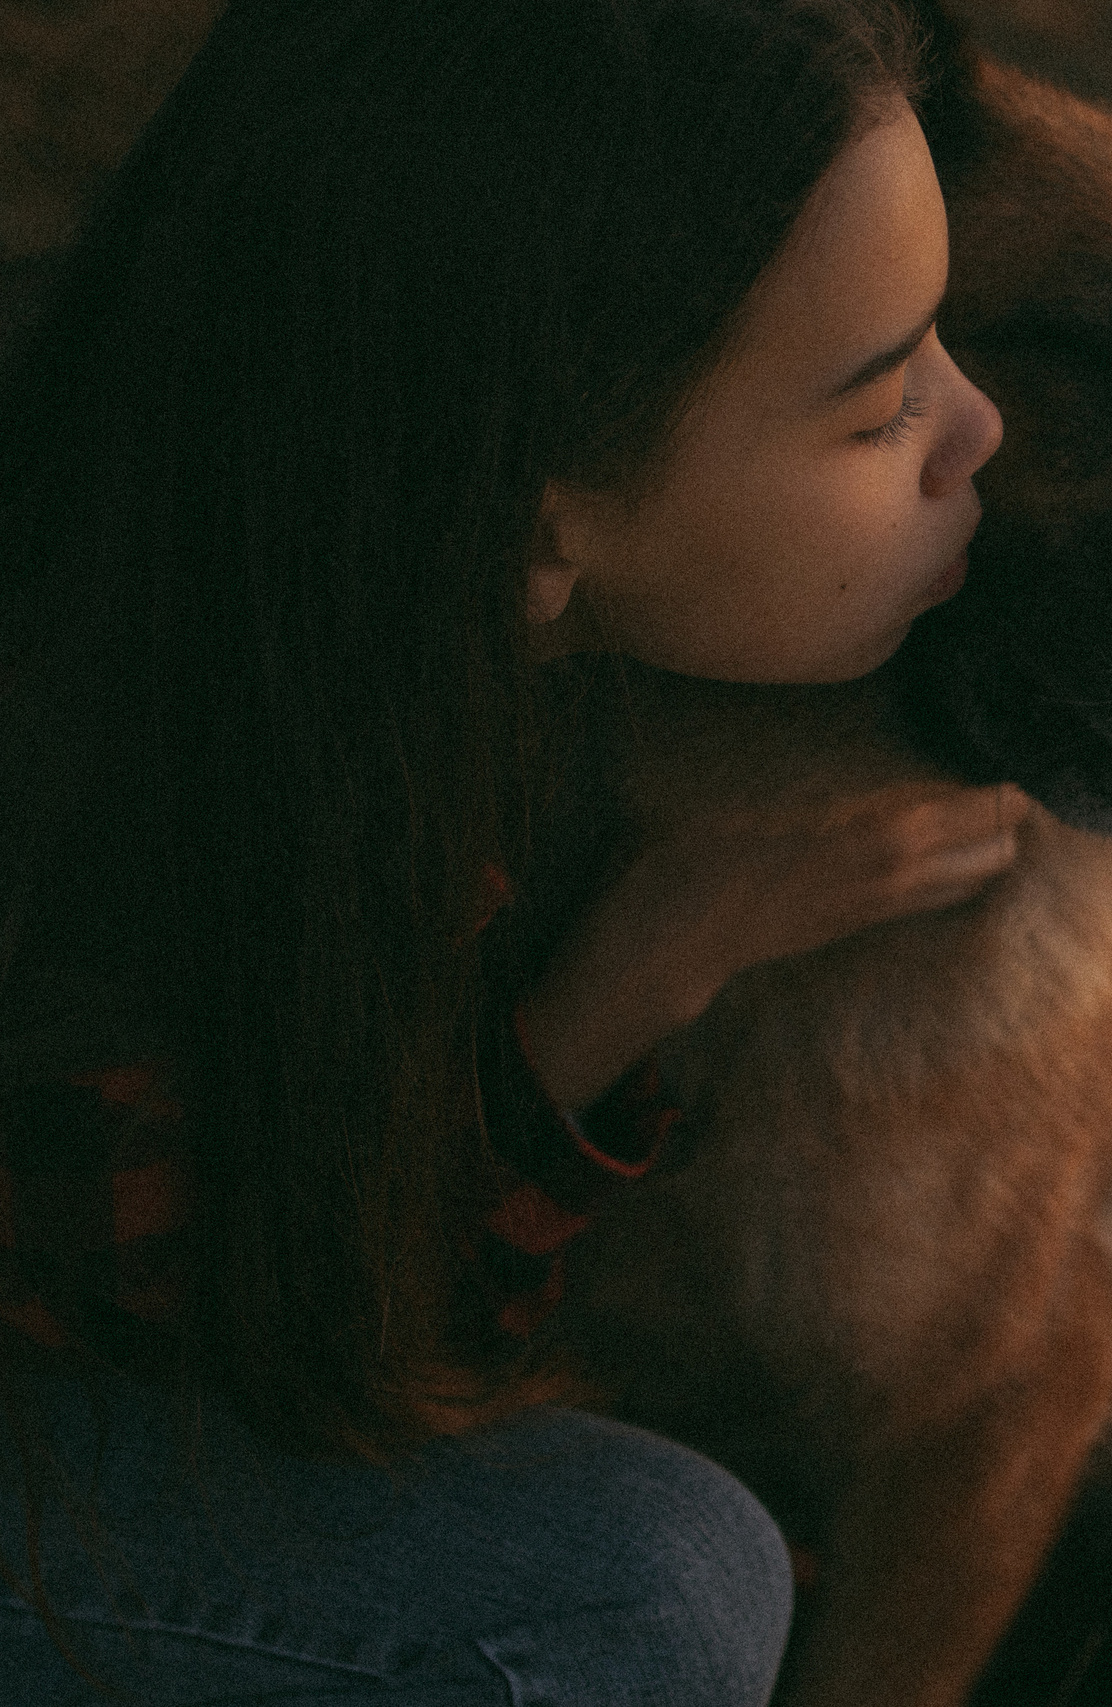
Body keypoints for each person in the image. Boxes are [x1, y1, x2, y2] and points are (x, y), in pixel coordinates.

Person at [0, 0, 1020, 1699]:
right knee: (639, 1597)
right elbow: (293, 1368)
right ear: (541, 510)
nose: (979, 429)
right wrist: (637, 970)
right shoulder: (121, 845)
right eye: (879, 402)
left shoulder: (289, 587)